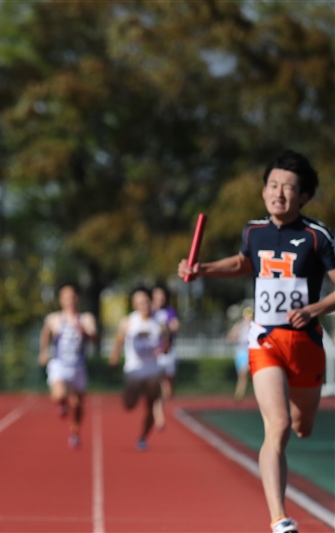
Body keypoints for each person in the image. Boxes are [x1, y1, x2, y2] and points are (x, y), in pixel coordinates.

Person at [178, 150, 335, 533]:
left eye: (288, 187)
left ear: (303, 196)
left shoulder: (318, 237)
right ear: (264, 190)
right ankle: (279, 518)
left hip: (306, 345)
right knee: (277, 425)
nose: (278, 192)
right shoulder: (253, 231)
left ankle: (281, 507)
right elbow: (244, 262)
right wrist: (203, 269)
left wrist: (314, 309)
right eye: (273, 185)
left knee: (301, 426)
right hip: (265, 340)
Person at [108, 286, 169, 451]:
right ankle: (133, 397)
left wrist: (163, 348)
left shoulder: (159, 324)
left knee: (152, 399)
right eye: (140, 302)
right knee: (129, 405)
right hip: (134, 370)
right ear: (135, 305)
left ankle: (143, 437)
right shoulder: (128, 321)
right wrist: (113, 358)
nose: (144, 305)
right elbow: (119, 341)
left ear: (150, 302)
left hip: (152, 370)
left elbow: (166, 345)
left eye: (146, 301)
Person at [38, 284, 98, 449]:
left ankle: (74, 432)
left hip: (78, 367)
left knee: (78, 405)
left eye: (72, 297)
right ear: (61, 301)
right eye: (66, 298)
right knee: (58, 394)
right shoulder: (54, 319)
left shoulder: (86, 319)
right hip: (59, 364)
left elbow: (94, 338)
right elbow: (45, 334)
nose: (70, 301)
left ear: (77, 299)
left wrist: (85, 332)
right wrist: (43, 352)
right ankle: (62, 402)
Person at [151, 284, 180, 429]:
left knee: (168, 391)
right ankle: (159, 417)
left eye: (161, 296)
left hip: (169, 353)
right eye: (156, 296)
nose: (159, 299)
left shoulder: (170, 311)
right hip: (156, 354)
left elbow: (176, 326)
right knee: (158, 385)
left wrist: (165, 327)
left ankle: (160, 403)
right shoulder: (149, 312)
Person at [226, 306, 254, 401]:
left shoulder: (253, 325)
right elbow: (230, 337)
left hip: (250, 352)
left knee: (244, 372)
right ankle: (240, 393)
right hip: (240, 353)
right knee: (242, 376)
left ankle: (239, 394)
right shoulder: (240, 325)